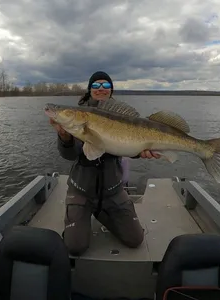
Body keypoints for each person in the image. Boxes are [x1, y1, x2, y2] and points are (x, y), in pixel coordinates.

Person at [49, 71, 161, 256]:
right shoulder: (79, 118)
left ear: (111, 90)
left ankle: (101, 212)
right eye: (96, 85)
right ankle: (83, 213)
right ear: (89, 90)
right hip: (81, 190)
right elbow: (70, 154)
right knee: (75, 247)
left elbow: (128, 146)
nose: (101, 89)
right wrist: (64, 136)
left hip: (113, 191)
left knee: (135, 240)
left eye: (106, 85)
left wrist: (141, 153)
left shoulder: (120, 115)